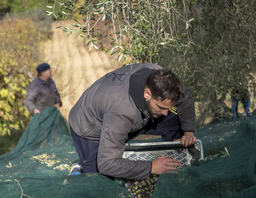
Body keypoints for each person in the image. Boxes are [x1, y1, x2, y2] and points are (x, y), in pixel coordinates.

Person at [68, 63, 197, 180]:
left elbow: (185, 100)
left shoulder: (163, 79)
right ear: (147, 93)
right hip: (90, 128)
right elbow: (107, 164)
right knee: (101, 178)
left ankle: (172, 161)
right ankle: (80, 166)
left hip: (133, 114)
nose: (165, 113)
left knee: (174, 119)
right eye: (161, 107)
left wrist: (188, 132)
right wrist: (151, 167)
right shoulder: (121, 111)